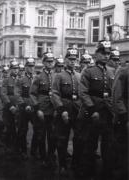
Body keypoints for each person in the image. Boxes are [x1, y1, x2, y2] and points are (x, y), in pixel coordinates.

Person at [79, 37, 115, 179]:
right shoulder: (88, 71)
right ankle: (89, 172)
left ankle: (107, 172)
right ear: (97, 54)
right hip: (94, 113)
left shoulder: (113, 71)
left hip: (108, 113)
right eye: (103, 53)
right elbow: (83, 92)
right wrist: (92, 109)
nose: (106, 55)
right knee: (91, 144)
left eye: (108, 53)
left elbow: (115, 92)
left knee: (108, 144)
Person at [52, 47, 81, 176]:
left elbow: (82, 94)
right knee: (62, 139)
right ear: (65, 60)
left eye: (74, 59)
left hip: (77, 110)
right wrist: (61, 109)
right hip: (64, 110)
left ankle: (75, 163)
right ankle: (62, 164)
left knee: (79, 138)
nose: (73, 62)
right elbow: (55, 94)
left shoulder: (79, 76)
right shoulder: (59, 76)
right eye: (70, 59)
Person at [30, 50, 56, 165]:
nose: (51, 63)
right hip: (42, 109)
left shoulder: (56, 76)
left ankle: (50, 156)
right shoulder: (39, 77)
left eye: (52, 61)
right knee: (41, 134)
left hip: (53, 109)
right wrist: (38, 109)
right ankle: (42, 156)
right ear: (44, 62)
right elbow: (32, 94)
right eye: (48, 61)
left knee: (52, 135)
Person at [17, 56, 37, 159]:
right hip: (24, 107)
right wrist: (24, 105)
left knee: (37, 129)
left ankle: (34, 151)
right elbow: (18, 94)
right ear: (25, 67)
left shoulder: (37, 78)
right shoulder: (21, 80)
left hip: (34, 107)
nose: (31, 68)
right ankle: (23, 151)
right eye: (29, 66)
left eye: (33, 66)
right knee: (22, 130)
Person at [112, 65, 128, 180]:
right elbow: (117, 96)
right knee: (125, 149)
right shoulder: (124, 72)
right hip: (126, 117)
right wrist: (124, 116)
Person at [2, 59, 22, 149]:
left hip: (18, 105)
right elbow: (3, 93)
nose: (16, 70)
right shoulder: (6, 80)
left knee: (19, 126)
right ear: (10, 69)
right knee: (9, 125)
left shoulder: (21, 79)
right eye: (13, 68)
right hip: (8, 106)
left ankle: (17, 144)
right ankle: (8, 144)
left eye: (17, 68)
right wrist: (10, 105)